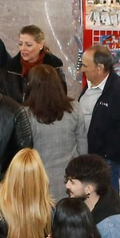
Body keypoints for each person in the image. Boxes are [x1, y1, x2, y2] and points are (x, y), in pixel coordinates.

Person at [20, 66, 85, 201]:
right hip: (70, 182)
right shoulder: (74, 108)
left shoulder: (25, 114)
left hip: (37, 182)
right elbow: (83, 148)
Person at [79, 46, 120, 191]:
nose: (82, 69)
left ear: (99, 68)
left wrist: (106, 154)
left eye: (85, 65)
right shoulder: (91, 84)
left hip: (106, 161)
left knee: (107, 200)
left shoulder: (119, 90)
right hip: (90, 156)